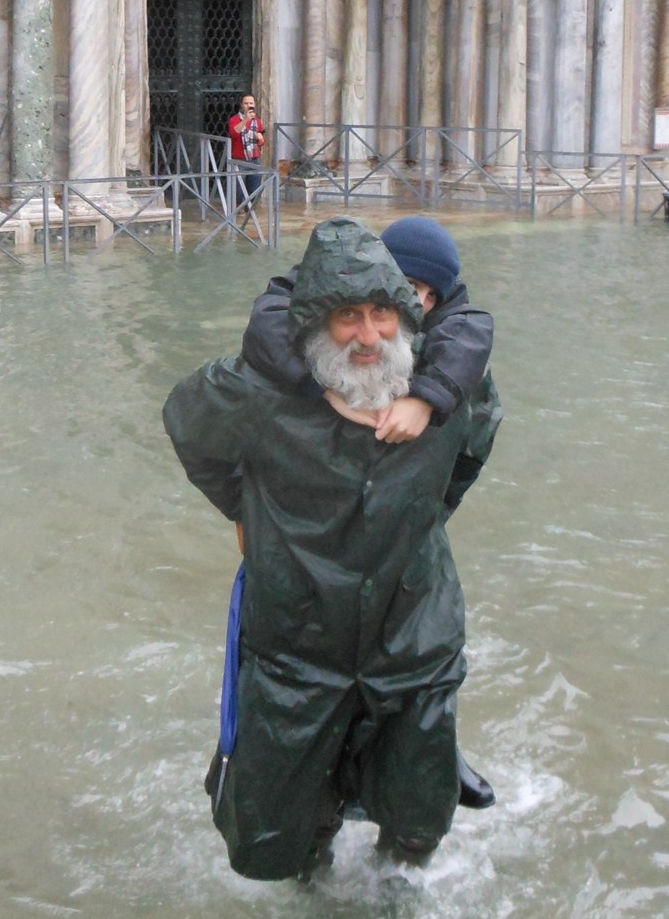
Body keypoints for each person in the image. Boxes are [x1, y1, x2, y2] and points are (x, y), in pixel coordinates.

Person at [165, 218, 501, 881]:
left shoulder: (449, 389)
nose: (369, 336)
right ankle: (311, 885)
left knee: (417, 813)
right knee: (286, 825)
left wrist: (420, 521)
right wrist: (252, 512)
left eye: (384, 313)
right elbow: (190, 429)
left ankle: (396, 887)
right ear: (317, 320)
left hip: (413, 635)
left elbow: (469, 457)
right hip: (297, 640)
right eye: (349, 317)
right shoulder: (256, 392)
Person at [242, 215, 491, 445]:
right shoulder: (332, 271)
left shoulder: (454, 314)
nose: (420, 303)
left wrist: (425, 400)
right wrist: (318, 387)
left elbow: (471, 328)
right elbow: (267, 317)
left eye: (433, 296)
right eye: (410, 284)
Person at [227, 94, 265, 200]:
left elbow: (261, 142)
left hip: (255, 159)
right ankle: (240, 208)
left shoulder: (258, 121)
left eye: (251, 103)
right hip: (240, 159)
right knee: (239, 188)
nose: (249, 105)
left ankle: (251, 208)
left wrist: (261, 139)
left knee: (255, 186)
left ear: (255, 105)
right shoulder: (234, 119)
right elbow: (234, 133)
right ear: (242, 105)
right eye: (246, 103)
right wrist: (245, 120)